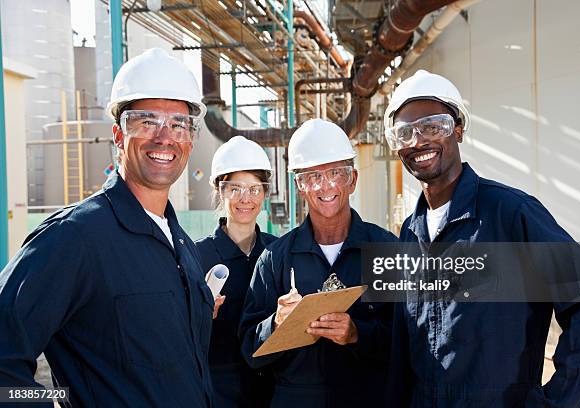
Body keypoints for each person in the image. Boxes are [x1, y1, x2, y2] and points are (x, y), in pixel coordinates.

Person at [0, 48, 216, 407]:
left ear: (190, 139)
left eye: (178, 123)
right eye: (146, 121)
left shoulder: (182, 245)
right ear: (118, 134)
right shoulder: (75, 238)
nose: (165, 136)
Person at [384, 69, 580, 407]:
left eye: (434, 126)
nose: (418, 141)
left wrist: (554, 402)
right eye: (405, 133)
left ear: (458, 129)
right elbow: (406, 346)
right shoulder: (410, 233)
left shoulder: (511, 214)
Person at [239, 118, 397, 408]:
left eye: (336, 172)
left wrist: (357, 334)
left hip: (366, 398)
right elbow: (250, 351)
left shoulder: (385, 249)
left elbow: (409, 339)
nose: (325, 185)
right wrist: (276, 324)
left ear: (353, 179)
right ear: (300, 186)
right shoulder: (275, 259)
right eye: (312, 176)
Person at [195, 136, 277, 407]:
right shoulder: (197, 256)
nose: (246, 199)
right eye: (236, 188)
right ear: (220, 190)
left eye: (255, 189)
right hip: (219, 393)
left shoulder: (279, 252)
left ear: (265, 193)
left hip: (273, 390)